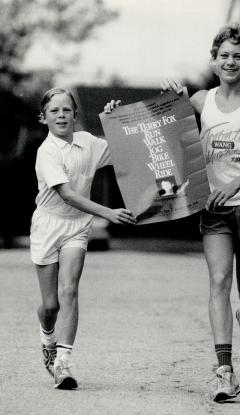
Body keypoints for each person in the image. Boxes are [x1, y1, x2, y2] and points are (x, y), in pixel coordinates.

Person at [161, 23, 240, 403]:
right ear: (213, 61)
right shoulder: (200, 100)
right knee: (217, 281)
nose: (230, 62)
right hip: (214, 207)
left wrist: (236, 184)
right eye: (223, 55)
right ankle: (224, 371)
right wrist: (169, 104)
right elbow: (159, 131)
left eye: (237, 56)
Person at [30, 88, 137, 390]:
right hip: (48, 226)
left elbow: (125, 149)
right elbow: (67, 194)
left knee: (70, 290)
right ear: (44, 118)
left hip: (77, 227)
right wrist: (108, 212)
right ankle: (47, 337)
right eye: (54, 111)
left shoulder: (88, 142)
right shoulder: (46, 152)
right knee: (50, 306)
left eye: (67, 110)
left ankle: (63, 363)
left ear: (75, 115)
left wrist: (116, 119)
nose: (61, 115)